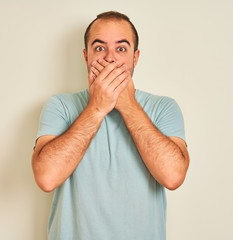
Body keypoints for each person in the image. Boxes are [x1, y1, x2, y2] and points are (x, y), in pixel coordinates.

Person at [32, 11, 190, 240]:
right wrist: (96, 108)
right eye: (99, 48)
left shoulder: (163, 108)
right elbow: (46, 178)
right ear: (86, 56)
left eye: (121, 49)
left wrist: (128, 106)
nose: (110, 58)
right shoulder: (60, 106)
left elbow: (173, 177)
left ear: (135, 58)